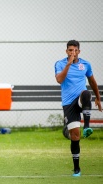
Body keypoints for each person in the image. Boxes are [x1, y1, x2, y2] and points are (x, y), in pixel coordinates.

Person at [54, 40, 102, 177]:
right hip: (69, 104)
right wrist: (69, 64)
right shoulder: (60, 64)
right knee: (75, 136)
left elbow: (92, 82)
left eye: (75, 50)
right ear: (66, 51)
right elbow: (59, 80)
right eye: (70, 50)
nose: (72, 53)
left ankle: (87, 126)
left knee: (86, 93)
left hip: (81, 99)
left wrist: (98, 98)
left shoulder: (85, 64)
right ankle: (77, 169)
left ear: (79, 51)